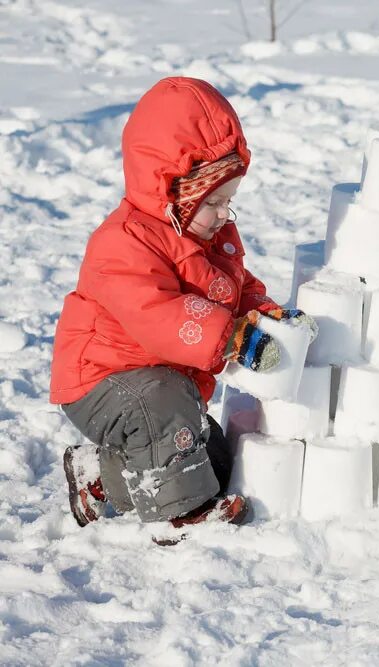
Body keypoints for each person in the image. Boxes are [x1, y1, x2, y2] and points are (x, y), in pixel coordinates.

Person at [50, 77, 314, 532]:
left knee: (205, 456)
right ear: (172, 190)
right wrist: (229, 336)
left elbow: (233, 287)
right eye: (212, 202)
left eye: (229, 202)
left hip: (156, 383)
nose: (224, 215)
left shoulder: (207, 233)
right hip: (100, 380)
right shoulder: (123, 242)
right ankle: (183, 517)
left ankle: (97, 476)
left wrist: (260, 311)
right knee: (165, 413)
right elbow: (156, 316)